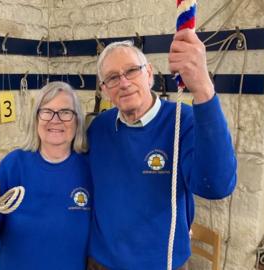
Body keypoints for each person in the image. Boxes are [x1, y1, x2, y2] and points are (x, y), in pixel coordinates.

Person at [86, 29, 237, 270]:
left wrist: (203, 90)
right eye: (112, 78)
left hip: (161, 263)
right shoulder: (99, 128)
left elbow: (216, 185)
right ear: (104, 90)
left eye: (132, 71)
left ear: (149, 74)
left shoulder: (183, 121)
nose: (124, 83)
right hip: (101, 263)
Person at [0, 81, 92, 270]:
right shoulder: (14, 164)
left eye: (65, 112)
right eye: (47, 111)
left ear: (77, 121)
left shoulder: (89, 168)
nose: (55, 120)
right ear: (36, 119)